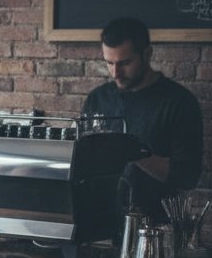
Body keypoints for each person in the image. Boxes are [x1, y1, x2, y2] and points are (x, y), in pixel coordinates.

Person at [81, 16, 203, 220]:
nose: (115, 73)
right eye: (109, 63)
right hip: (100, 220)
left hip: (157, 226)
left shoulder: (179, 102)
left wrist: (132, 152)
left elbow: (187, 176)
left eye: (125, 63)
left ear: (147, 54)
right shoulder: (97, 99)